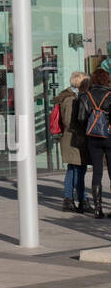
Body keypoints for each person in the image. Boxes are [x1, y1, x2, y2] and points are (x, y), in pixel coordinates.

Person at [77, 69, 111, 219]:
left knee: (96, 172)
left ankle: (98, 209)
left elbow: (81, 118)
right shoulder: (110, 95)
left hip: (93, 137)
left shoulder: (85, 96)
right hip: (110, 136)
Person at [58, 71, 87, 212]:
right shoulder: (71, 98)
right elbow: (69, 121)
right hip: (73, 138)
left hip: (73, 137)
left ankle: (70, 199)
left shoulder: (72, 96)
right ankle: (81, 199)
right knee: (78, 169)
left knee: (73, 169)